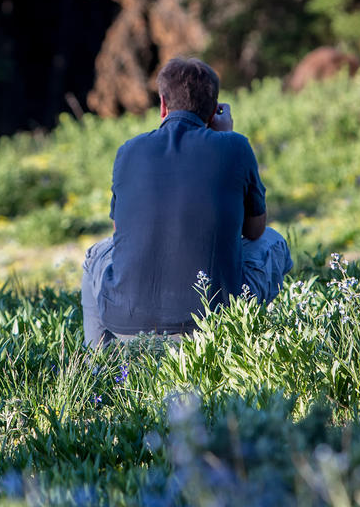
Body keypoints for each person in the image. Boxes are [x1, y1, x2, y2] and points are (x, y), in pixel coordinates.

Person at [81, 57, 293, 347]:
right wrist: (225, 136)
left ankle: (99, 363)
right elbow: (255, 231)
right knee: (274, 242)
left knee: (96, 253)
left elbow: (121, 230)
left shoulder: (127, 151)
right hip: (211, 324)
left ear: (163, 105)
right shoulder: (235, 146)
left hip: (126, 324)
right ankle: (249, 351)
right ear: (214, 109)